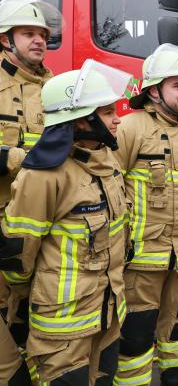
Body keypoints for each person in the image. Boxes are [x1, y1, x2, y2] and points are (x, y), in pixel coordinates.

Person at [0, 59, 132, 385]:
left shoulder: (106, 160)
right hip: (64, 325)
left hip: (107, 312)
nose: (117, 120)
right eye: (107, 112)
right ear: (81, 120)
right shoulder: (43, 175)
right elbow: (19, 254)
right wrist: (28, 300)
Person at [114, 44, 178, 386]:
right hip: (143, 255)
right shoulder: (131, 128)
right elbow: (110, 188)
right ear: (154, 91)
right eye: (177, 85)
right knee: (137, 332)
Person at [0, 0, 61, 385]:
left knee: (28, 302)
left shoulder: (56, 88)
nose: (39, 40)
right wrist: (22, 159)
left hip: (41, 219)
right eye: (28, 33)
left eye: (42, 34)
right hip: (3, 214)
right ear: (6, 38)